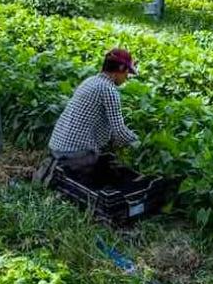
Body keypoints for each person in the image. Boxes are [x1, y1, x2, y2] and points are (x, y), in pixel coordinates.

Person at [33, 48, 139, 186]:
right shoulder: (109, 90)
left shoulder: (90, 81)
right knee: (101, 172)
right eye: (127, 72)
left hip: (56, 147)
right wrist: (138, 144)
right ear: (120, 68)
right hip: (76, 153)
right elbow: (119, 132)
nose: (126, 77)